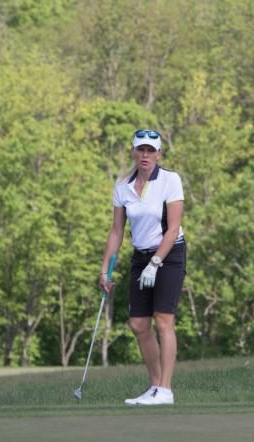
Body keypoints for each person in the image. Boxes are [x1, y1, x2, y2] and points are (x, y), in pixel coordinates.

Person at [99, 129, 186, 406]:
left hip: (169, 255)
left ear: (158, 153)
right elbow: (116, 231)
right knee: (138, 324)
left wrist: (156, 263)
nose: (145, 155)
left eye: (151, 150)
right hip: (140, 257)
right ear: (133, 152)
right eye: (141, 150)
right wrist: (105, 270)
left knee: (164, 320)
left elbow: (173, 229)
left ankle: (166, 390)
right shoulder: (122, 186)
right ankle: (156, 386)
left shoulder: (170, 180)